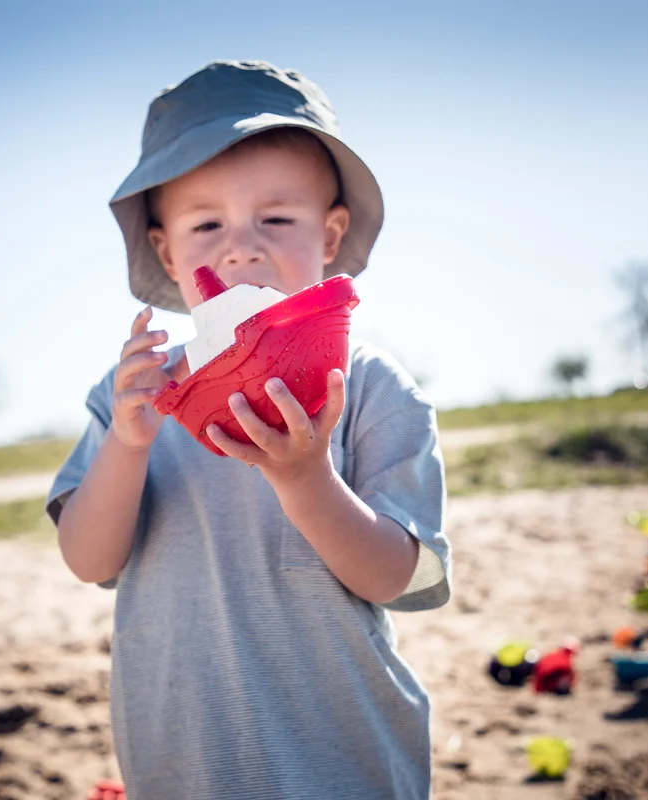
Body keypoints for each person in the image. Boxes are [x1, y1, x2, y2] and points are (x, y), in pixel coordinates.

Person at [47, 59, 451, 800]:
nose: (240, 247)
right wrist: (127, 445)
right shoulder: (134, 392)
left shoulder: (370, 387)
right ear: (168, 252)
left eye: (276, 218)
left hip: (338, 756)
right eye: (207, 224)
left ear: (330, 236)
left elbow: (396, 578)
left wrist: (305, 478)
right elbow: (86, 557)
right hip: (181, 757)